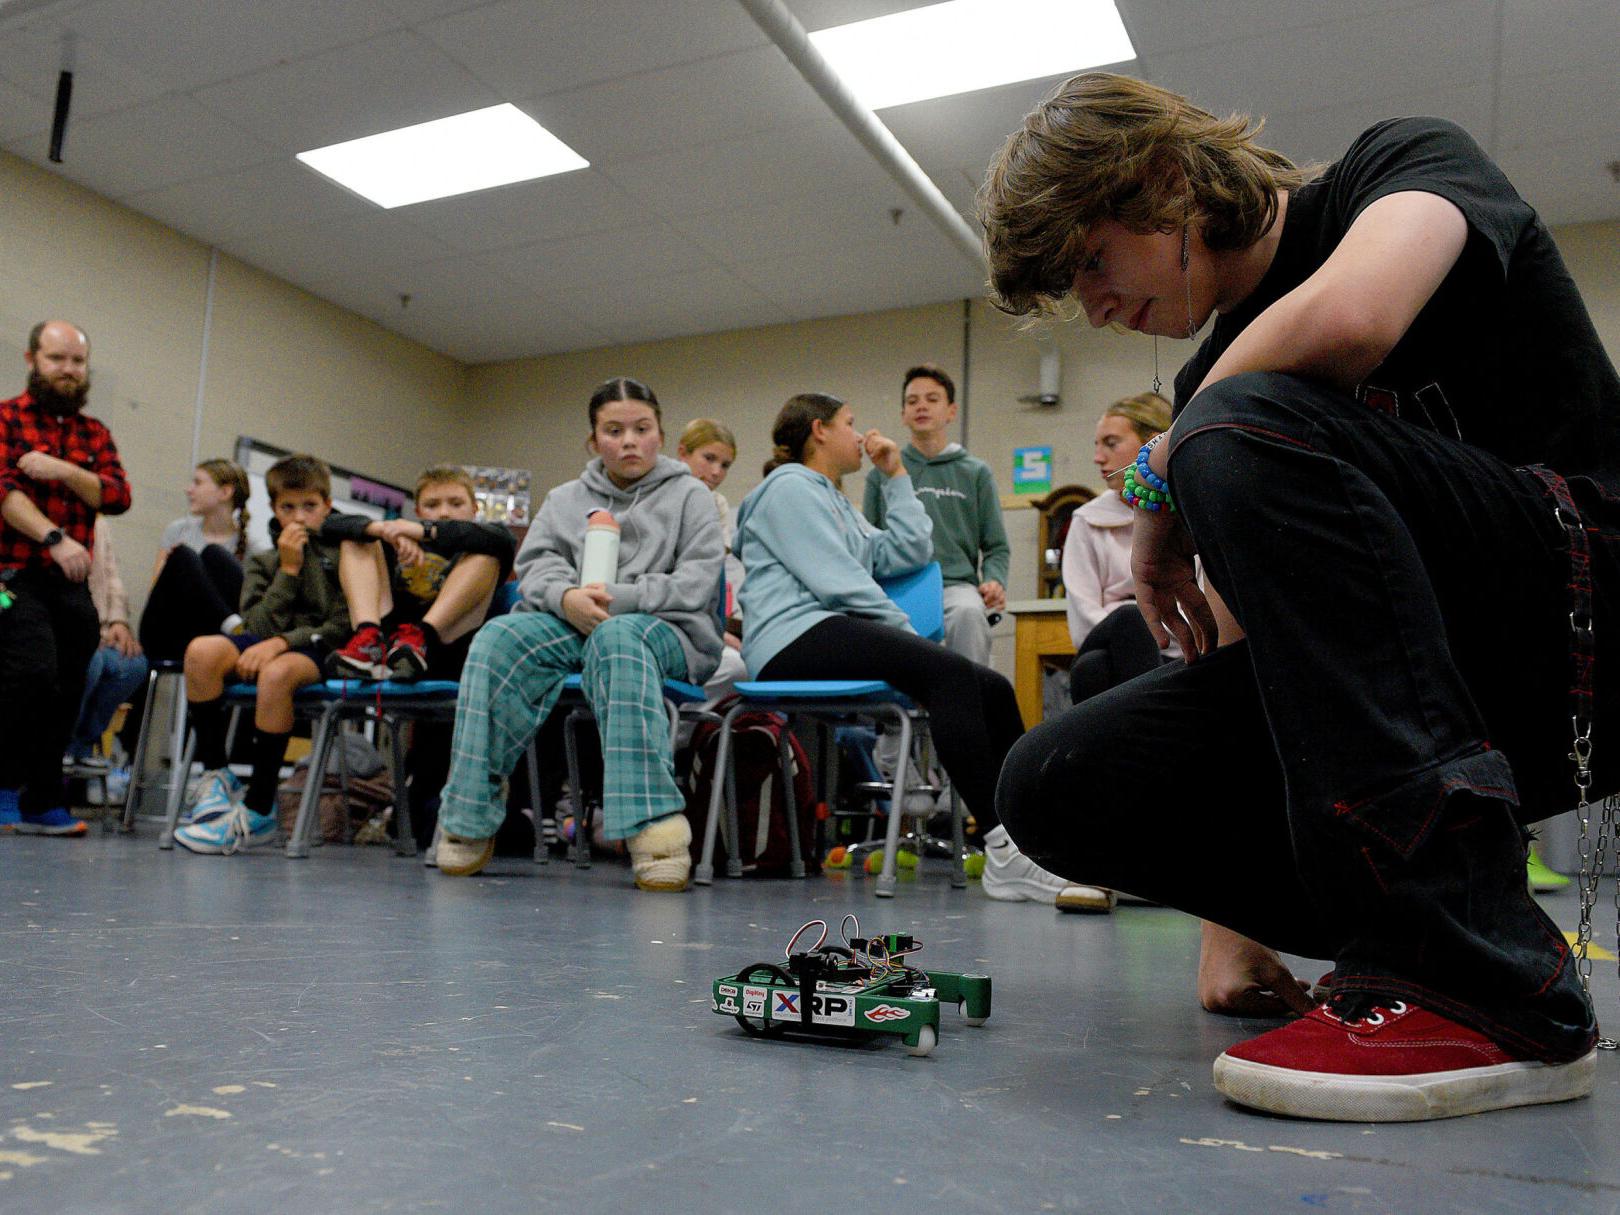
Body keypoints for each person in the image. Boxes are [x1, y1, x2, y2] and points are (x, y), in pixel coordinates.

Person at [981, 72, 1617, 1120]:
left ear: (1166, 179)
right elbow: (1253, 657)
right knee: (1052, 781)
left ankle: (1485, 983)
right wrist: (1231, 931)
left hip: (1584, 618)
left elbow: (1357, 314)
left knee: (1236, 418)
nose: (1092, 306)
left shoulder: (1401, 163)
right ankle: (1410, 952)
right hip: (1428, 709)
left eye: (1091, 261)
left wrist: (1158, 478)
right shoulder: (1213, 402)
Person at [735, 392, 1068, 903]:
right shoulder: (788, 488)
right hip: (788, 638)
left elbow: (908, 551)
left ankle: (1034, 844)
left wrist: (895, 476)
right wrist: (908, 637)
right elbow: (839, 580)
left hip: (822, 628)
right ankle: (1003, 851)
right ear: (819, 430)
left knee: (993, 688)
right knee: (948, 674)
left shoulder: (832, 501)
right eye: (851, 423)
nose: (860, 434)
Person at [434, 377, 723, 888]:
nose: (629, 441)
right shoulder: (565, 498)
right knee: (497, 638)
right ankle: (468, 815)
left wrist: (620, 597)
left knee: (620, 639)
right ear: (594, 442)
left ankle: (655, 828)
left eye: (641, 428)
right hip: (577, 622)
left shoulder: (691, 496)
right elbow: (536, 565)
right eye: (614, 431)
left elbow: (697, 583)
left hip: (670, 632)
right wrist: (567, 599)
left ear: (660, 434)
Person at [321, 464, 516, 851]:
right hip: (394, 653)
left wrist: (426, 534)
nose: (444, 512)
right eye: (432, 505)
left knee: (484, 551)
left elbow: (501, 539)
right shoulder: (400, 543)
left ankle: (422, 636)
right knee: (357, 538)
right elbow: (332, 526)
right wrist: (384, 532)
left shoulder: (486, 537)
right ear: (418, 510)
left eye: (455, 503)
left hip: (452, 649)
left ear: (474, 508)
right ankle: (367, 636)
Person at [172, 455, 350, 854]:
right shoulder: (263, 560)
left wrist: (284, 643)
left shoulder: (346, 554)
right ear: (273, 509)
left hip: (323, 649)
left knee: (276, 674)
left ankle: (259, 808)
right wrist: (288, 571)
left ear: (327, 505)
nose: (299, 517)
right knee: (201, 651)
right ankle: (216, 774)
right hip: (269, 642)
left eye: (310, 506)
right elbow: (255, 627)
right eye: (288, 507)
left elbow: (343, 626)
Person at [0, 320, 131, 837]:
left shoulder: (94, 434)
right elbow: (3, 490)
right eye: (57, 359)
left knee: (67, 686)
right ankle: (4, 787)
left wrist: (64, 470)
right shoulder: (6, 419)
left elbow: (118, 496)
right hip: (12, 576)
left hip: (69, 586)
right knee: (29, 674)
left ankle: (43, 800)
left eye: (77, 361)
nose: (69, 371)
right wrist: (55, 538)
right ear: (33, 360)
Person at [862, 364, 1009, 667]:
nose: (921, 407)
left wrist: (994, 580)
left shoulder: (975, 472)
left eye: (932, 399)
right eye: (913, 401)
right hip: (897, 586)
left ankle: (972, 706)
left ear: (951, 411)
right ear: (903, 413)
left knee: (970, 614)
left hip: (957, 588)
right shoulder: (882, 471)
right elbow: (869, 541)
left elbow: (996, 546)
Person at [138, 459, 253, 662]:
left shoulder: (253, 546)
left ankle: (231, 625)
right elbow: (156, 589)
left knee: (214, 554)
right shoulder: (178, 530)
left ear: (225, 492)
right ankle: (232, 624)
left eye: (198, 483)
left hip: (212, 639)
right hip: (167, 631)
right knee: (183, 555)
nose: (188, 489)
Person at [65, 517, 148, 771]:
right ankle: (59, 741)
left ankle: (83, 742)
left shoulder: (96, 521)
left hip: (98, 628)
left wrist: (118, 622)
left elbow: (111, 577)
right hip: (65, 629)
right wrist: (86, 631)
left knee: (132, 664)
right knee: (91, 661)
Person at [675, 418, 747, 698]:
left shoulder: (716, 504)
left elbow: (708, 582)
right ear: (683, 453)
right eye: (709, 458)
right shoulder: (658, 496)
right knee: (736, 667)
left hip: (700, 623)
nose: (716, 471)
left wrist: (716, 634)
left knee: (744, 664)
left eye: (725, 465)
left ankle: (686, 733)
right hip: (665, 620)